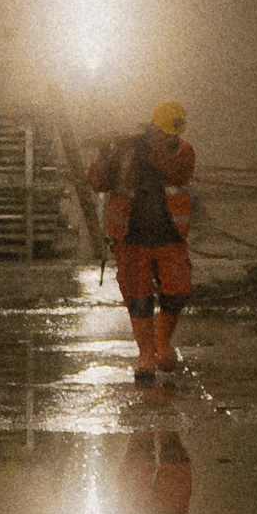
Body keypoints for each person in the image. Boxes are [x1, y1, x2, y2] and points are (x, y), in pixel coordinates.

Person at [85, 101, 200, 378]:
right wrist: (105, 154)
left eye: (172, 134)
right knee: (138, 298)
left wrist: (150, 149)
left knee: (177, 292)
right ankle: (146, 354)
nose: (170, 138)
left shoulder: (183, 152)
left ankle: (163, 343)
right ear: (154, 129)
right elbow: (99, 182)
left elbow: (178, 170)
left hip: (169, 235)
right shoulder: (127, 151)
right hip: (132, 237)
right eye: (164, 133)